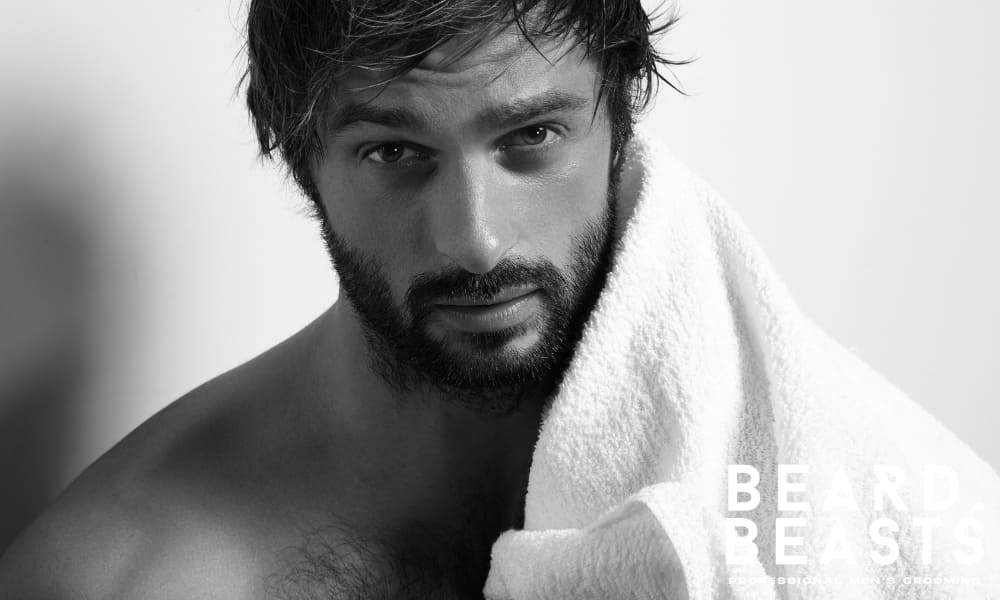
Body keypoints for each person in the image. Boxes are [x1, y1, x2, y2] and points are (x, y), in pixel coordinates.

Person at [0, 1, 685, 597]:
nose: (477, 241)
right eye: (394, 152)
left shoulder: (746, 451)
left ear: (619, 119)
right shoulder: (123, 580)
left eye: (531, 136)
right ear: (302, 159)